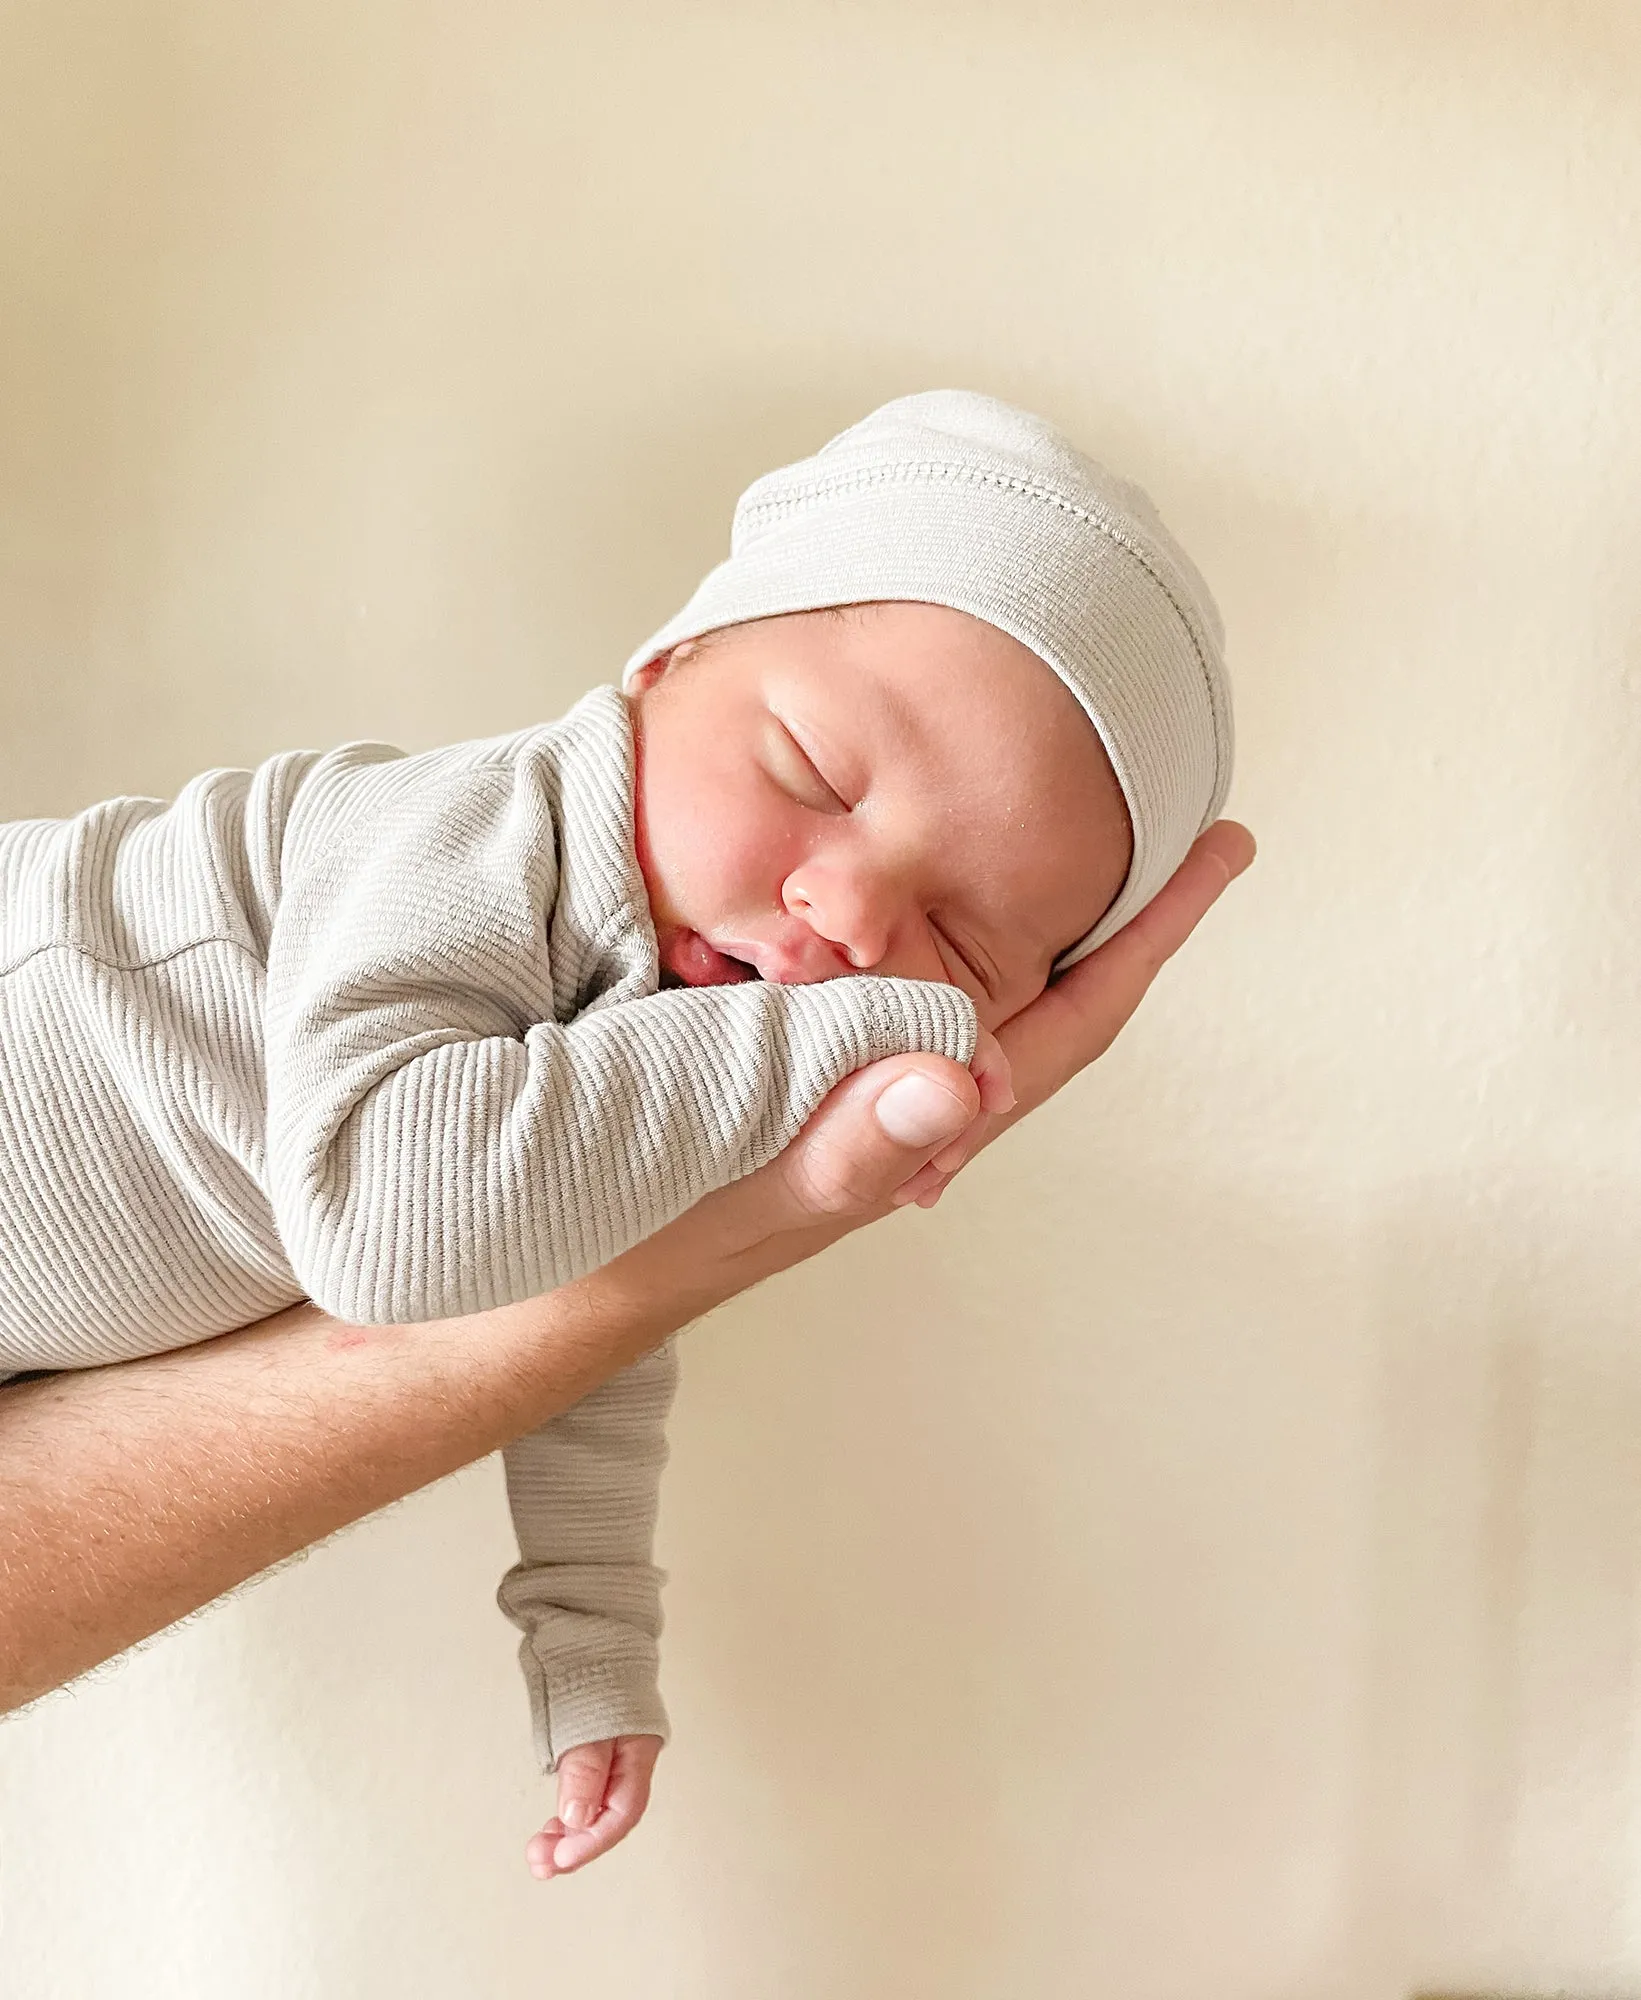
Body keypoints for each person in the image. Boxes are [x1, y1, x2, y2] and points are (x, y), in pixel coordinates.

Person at [0, 389, 1247, 1880]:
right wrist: (891, 1025)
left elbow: (572, 1309)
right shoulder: (468, 831)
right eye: (813, 775)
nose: (847, 919)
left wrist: (590, 1638)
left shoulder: (633, 1048)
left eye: (963, 941)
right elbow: (392, 1219)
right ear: (666, 664)